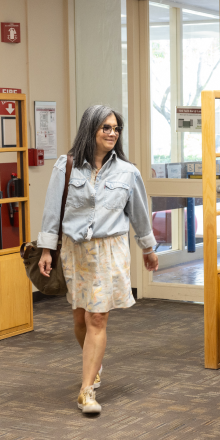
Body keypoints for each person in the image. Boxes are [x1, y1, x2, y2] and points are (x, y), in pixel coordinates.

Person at [37, 105, 159, 414]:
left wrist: (148, 248)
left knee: (97, 318)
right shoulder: (66, 166)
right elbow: (52, 211)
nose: (112, 133)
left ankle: (86, 391)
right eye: (106, 127)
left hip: (110, 250)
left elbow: (139, 215)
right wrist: (46, 249)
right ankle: (95, 363)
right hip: (76, 251)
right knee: (80, 318)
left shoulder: (128, 172)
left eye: (116, 128)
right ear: (90, 129)